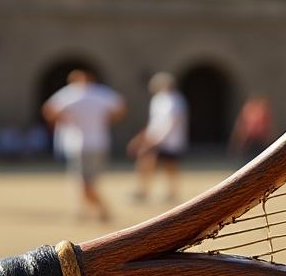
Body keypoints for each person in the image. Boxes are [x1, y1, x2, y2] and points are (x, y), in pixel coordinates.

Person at [43, 70, 126, 222]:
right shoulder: (100, 92)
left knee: (83, 181)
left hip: (78, 143)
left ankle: (102, 209)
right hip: (100, 142)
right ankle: (84, 210)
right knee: (89, 180)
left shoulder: (70, 94)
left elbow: (49, 110)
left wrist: (63, 120)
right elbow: (120, 106)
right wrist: (108, 120)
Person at [129, 72, 188, 203]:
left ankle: (167, 192)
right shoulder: (158, 99)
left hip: (169, 140)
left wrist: (157, 140)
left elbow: (172, 122)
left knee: (167, 166)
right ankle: (144, 190)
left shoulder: (176, 100)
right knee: (148, 162)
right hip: (156, 138)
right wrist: (145, 137)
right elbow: (154, 122)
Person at [230, 95, 274, 160]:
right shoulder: (249, 110)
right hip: (251, 139)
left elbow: (267, 126)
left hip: (258, 139)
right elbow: (242, 126)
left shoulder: (259, 111)